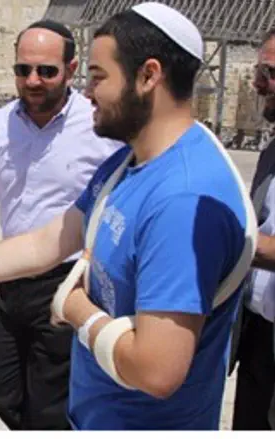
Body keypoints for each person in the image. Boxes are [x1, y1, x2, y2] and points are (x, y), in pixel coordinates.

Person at [0, 3, 256, 430]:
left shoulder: (182, 198)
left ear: (149, 76)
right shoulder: (129, 163)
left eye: (98, 78)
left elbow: (157, 371)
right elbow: (47, 242)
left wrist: (76, 310)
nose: (88, 93)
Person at [0, 20, 119, 430]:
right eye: (23, 70)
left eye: (46, 70)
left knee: (49, 401)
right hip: (11, 277)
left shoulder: (100, 129)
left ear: (71, 68)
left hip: (68, 280)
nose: (33, 80)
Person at [230, 27, 275, 431]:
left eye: (269, 72)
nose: (259, 84)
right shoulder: (271, 150)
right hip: (258, 337)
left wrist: (234, 240)